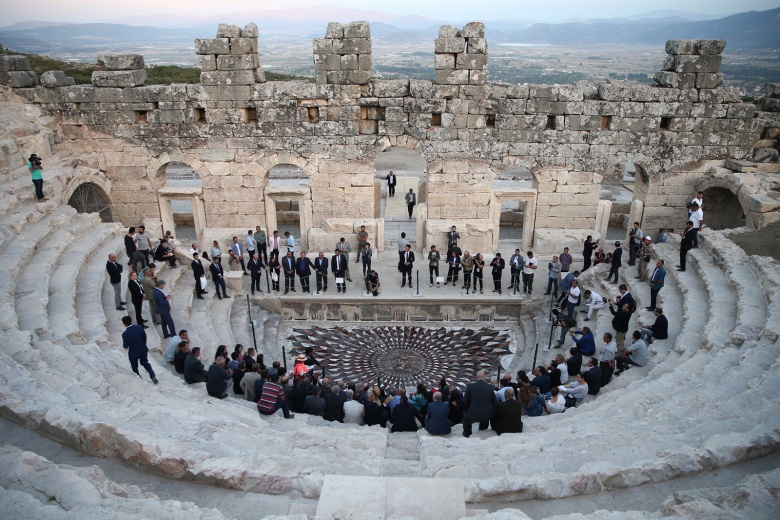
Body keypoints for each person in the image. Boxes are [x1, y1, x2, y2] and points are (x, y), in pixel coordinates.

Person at [121, 316, 158, 384]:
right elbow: (144, 337)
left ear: (124, 324)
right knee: (145, 363)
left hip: (133, 353)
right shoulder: (139, 327)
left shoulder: (125, 334)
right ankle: (153, 376)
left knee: (134, 366)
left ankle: (140, 379)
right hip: (143, 349)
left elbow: (125, 346)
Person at [462, 370, 497, 438]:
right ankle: (482, 430)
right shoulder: (490, 387)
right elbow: (494, 402)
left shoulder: (470, 386)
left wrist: (467, 410)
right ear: (484, 378)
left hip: (474, 412)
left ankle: (467, 434)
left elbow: (465, 401)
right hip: (487, 413)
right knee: (484, 418)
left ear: (476, 378)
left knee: (466, 419)